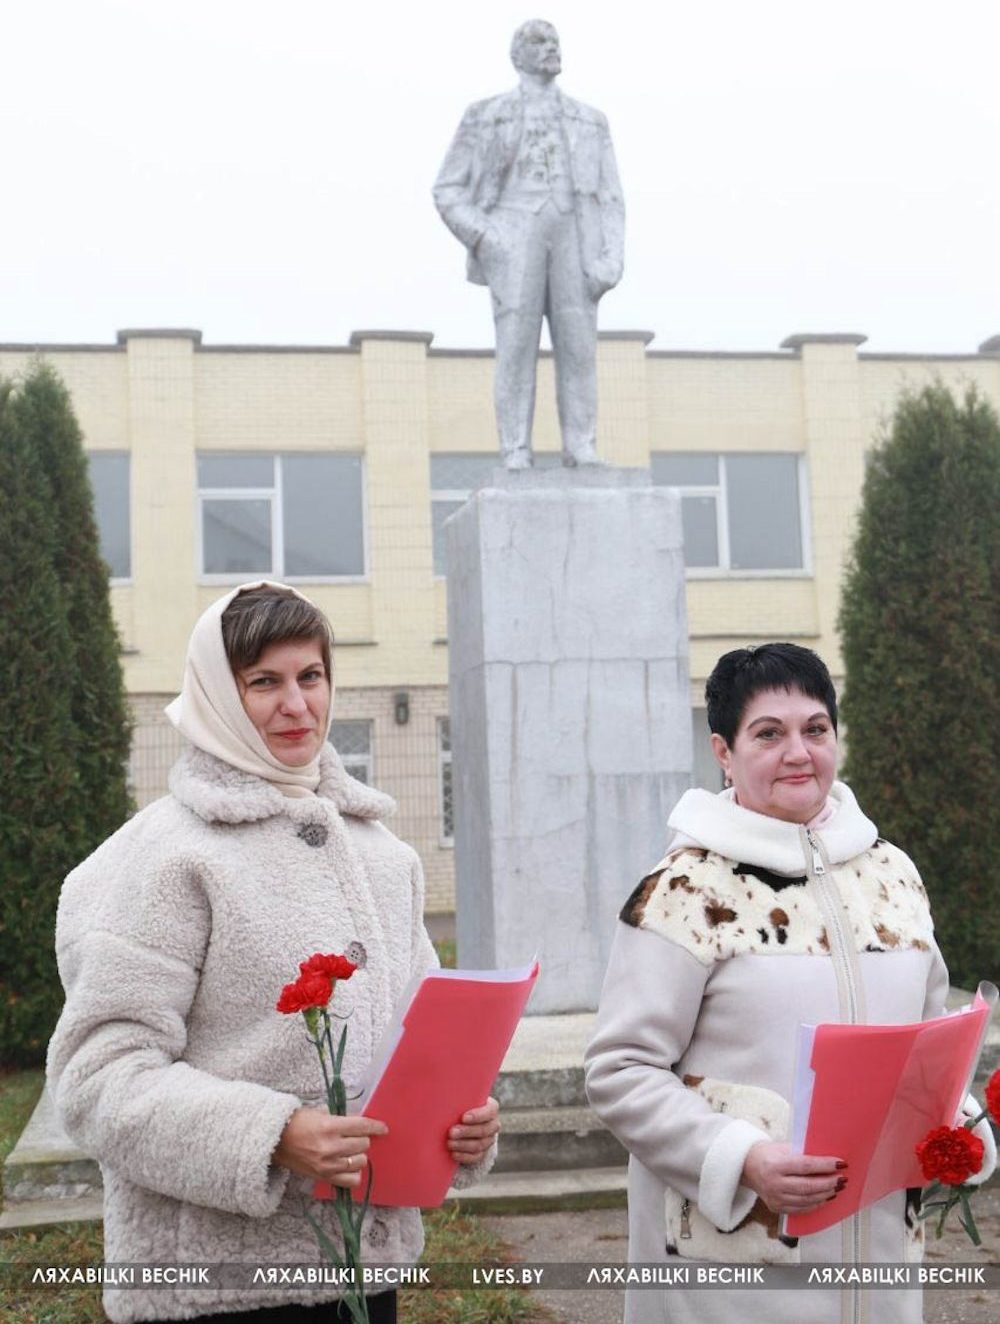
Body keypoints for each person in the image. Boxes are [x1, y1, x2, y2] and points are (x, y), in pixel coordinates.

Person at [47, 582, 500, 1324]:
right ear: (218, 696)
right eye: (265, 682)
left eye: (310, 677)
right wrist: (273, 1135)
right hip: (213, 1286)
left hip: (363, 1269)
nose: (296, 704)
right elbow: (98, 1079)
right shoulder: (164, 857)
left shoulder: (382, 854)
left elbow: (420, 1039)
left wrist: (463, 1120)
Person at [584, 643, 995, 1324]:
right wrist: (741, 1158)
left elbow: (932, 1049)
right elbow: (619, 1069)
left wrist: (960, 1128)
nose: (798, 752)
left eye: (815, 729)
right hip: (734, 1278)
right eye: (768, 734)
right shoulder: (685, 889)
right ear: (723, 751)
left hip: (880, 1258)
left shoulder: (892, 873)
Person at [433, 18, 624, 469]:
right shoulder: (485, 114)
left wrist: (612, 255)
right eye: (538, 41)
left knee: (579, 347)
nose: (551, 46)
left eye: (554, 40)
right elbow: (447, 189)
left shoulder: (591, 120)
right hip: (513, 232)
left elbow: (611, 195)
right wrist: (484, 235)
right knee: (516, 346)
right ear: (517, 55)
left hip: (575, 234)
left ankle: (581, 443)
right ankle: (516, 447)